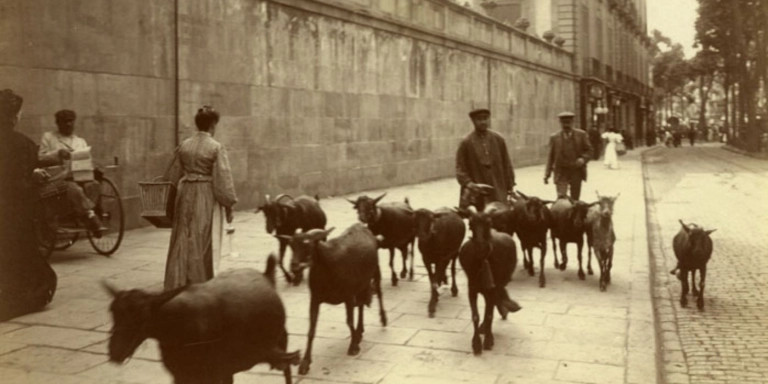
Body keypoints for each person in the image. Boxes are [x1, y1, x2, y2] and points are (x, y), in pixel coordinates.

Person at [164, 106, 238, 290]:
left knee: (183, 235)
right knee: (201, 237)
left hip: (185, 191)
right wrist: (229, 204)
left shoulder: (184, 145)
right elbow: (223, 179)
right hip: (204, 194)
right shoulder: (216, 147)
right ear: (213, 125)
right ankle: (199, 281)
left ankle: (177, 279)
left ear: (198, 125)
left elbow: (171, 175)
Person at [0, 89, 58, 321]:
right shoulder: (21, 143)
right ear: (14, 116)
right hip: (12, 213)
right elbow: (17, 183)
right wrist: (33, 177)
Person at [38, 110, 102, 236]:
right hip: (57, 179)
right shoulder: (49, 137)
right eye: (65, 121)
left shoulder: (80, 141)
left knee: (94, 185)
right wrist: (57, 153)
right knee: (73, 188)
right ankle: (89, 215)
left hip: (79, 175)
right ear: (58, 123)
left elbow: (87, 160)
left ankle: (82, 214)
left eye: (71, 121)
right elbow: (40, 158)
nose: (68, 124)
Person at [456, 108, 516, 207]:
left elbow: (507, 164)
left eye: (485, 118)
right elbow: (460, 169)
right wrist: (469, 184)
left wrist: (510, 184)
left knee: (501, 214)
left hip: (498, 187)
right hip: (477, 190)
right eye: (479, 119)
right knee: (479, 217)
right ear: (473, 121)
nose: (483, 122)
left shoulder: (498, 139)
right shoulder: (466, 143)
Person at [544, 111, 592, 200]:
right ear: (560, 123)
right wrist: (547, 174)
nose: (566, 125)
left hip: (576, 171)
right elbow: (550, 157)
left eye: (568, 122)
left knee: (575, 199)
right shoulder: (554, 137)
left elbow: (589, 150)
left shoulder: (581, 135)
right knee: (561, 198)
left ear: (572, 122)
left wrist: (583, 159)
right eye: (564, 123)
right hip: (561, 171)